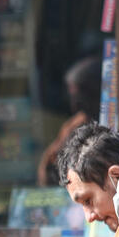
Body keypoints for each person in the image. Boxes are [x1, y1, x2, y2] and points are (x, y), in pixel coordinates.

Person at [36, 56, 102, 186]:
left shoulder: (86, 121)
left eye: (79, 94)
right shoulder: (76, 125)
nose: (74, 101)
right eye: (72, 95)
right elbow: (49, 167)